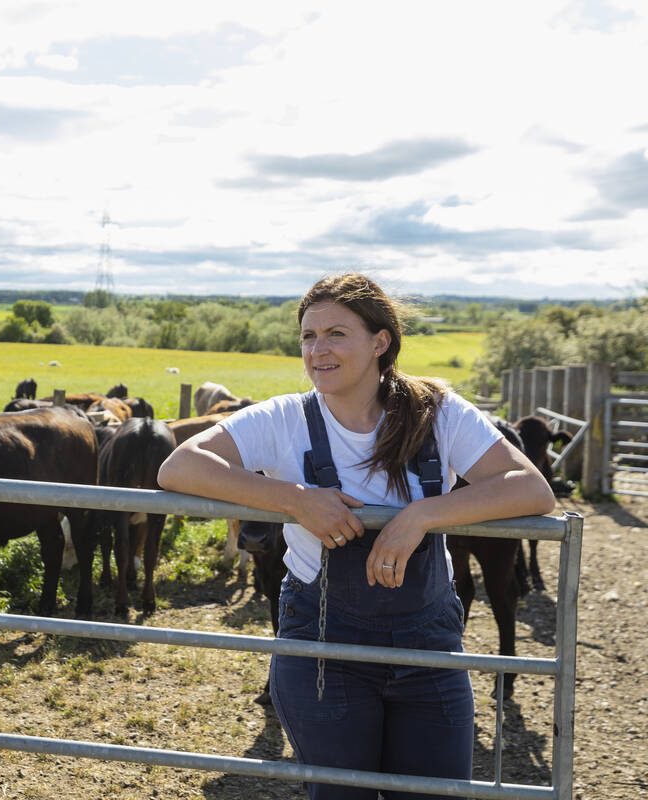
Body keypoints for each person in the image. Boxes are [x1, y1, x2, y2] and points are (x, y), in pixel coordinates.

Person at [157, 273, 555, 799]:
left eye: (336, 334)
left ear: (379, 342)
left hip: (428, 645)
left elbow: (532, 489)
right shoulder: (284, 418)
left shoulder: (438, 412)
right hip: (322, 643)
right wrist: (296, 500)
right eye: (307, 336)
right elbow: (179, 467)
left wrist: (421, 516)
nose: (317, 350)